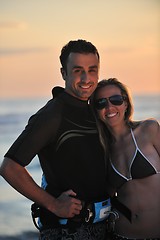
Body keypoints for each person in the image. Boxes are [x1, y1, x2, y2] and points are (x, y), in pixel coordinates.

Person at [0, 40, 111, 240]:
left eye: (92, 70)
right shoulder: (52, 114)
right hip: (67, 232)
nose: (86, 78)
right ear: (63, 73)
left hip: (100, 227)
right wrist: (54, 204)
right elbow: (9, 167)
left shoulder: (93, 110)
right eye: (78, 70)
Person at [92, 78, 160, 239]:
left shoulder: (148, 130)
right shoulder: (102, 150)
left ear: (126, 103)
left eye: (115, 99)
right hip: (121, 235)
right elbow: (105, 193)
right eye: (101, 102)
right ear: (96, 110)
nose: (109, 107)